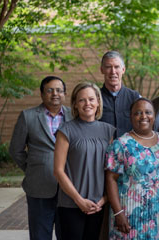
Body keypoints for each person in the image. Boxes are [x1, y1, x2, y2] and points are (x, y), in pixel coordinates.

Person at [9, 75, 71, 240]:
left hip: (69, 187)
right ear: (42, 94)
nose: (55, 94)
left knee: (67, 234)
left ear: (64, 94)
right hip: (39, 185)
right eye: (50, 90)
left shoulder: (74, 116)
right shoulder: (28, 116)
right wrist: (32, 168)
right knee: (40, 235)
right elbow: (16, 150)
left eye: (59, 90)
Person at [105, 98, 159, 239]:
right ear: (131, 117)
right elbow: (111, 179)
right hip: (130, 217)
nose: (144, 116)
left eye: (148, 112)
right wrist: (118, 213)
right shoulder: (121, 144)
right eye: (138, 113)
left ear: (154, 116)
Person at [53, 82, 115, 240]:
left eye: (91, 99)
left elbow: (111, 171)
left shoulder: (108, 131)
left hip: (98, 205)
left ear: (98, 102)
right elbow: (58, 171)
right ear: (75, 104)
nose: (87, 103)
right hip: (71, 204)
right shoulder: (65, 130)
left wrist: (103, 200)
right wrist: (79, 200)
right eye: (82, 100)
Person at [99, 50, 140, 138]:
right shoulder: (95, 98)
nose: (113, 71)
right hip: (104, 150)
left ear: (123, 69)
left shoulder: (135, 98)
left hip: (129, 150)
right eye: (108, 67)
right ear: (102, 70)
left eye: (117, 67)